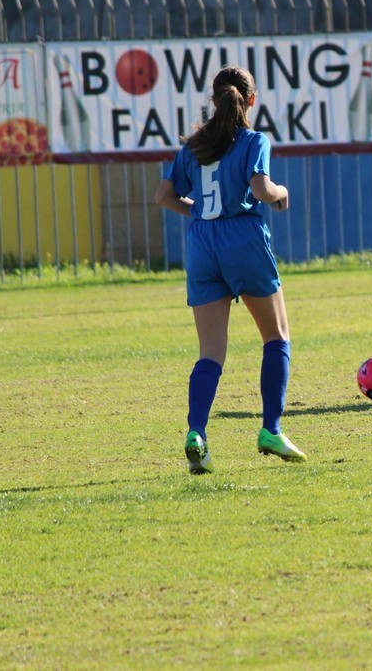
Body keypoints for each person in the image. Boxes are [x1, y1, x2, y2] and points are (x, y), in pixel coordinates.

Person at [155, 65, 306, 473]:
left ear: (214, 100)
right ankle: (271, 429)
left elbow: (164, 196)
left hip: (202, 243)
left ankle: (196, 433)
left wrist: (201, 211)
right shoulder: (255, 140)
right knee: (276, 337)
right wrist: (281, 192)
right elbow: (260, 189)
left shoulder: (194, 146)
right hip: (243, 238)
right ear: (251, 100)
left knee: (210, 353)